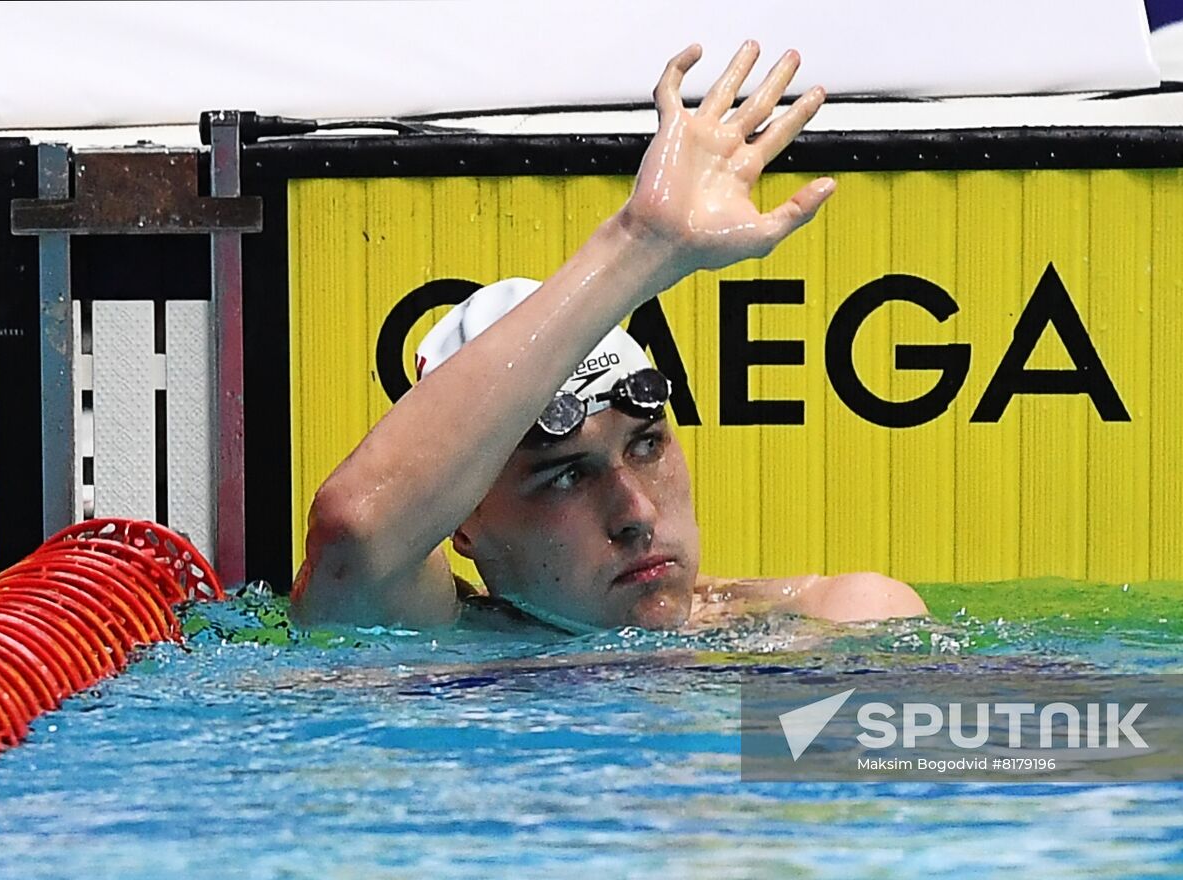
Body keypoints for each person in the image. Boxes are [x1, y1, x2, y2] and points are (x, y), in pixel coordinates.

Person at [290, 41, 928, 632]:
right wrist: (640, 248)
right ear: (464, 524)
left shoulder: (828, 623)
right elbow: (356, 534)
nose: (636, 515)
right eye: (564, 476)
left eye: (647, 445)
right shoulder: (436, 639)